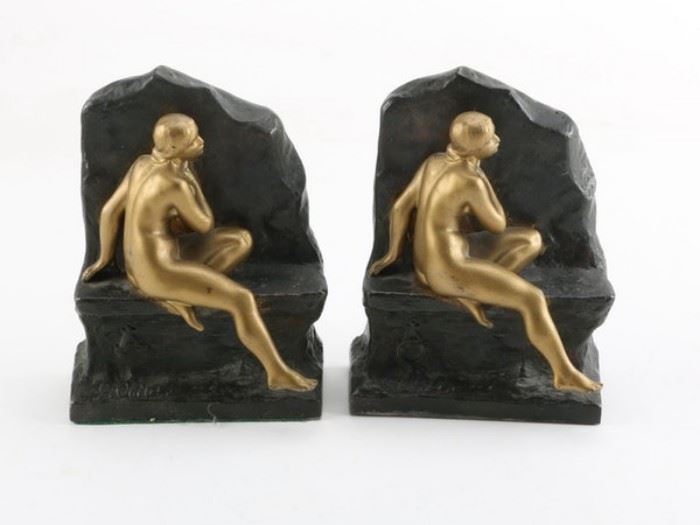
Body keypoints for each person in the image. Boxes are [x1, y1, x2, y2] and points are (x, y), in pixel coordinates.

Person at [82, 113, 317, 392]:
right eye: (193, 140)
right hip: (158, 271)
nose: (201, 141)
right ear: (174, 149)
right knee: (241, 299)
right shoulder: (177, 183)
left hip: (146, 262)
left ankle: (189, 292)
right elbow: (204, 224)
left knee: (239, 241)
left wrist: (104, 259)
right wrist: (191, 181)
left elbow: (109, 211)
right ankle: (276, 373)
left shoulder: (141, 164)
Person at [370, 111, 601, 392]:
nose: (497, 140)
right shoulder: (471, 180)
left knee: (530, 240)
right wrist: (479, 175)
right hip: (449, 269)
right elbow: (497, 223)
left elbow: (400, 207)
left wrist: (392, 253)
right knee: (533, 298)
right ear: (473, 150)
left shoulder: (434, 162)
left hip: (428, 263)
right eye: (490, 138)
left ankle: (476, 292)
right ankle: (563, 373)